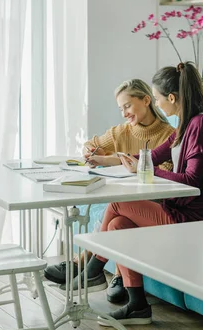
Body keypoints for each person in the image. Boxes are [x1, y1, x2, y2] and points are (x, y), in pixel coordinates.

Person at [74, 62, 203, 326]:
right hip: (179, 208)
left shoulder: (200, 127)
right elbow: (150, 157)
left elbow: (191, 181)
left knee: (119, 204)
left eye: (156, 98)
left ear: (172, 98)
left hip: (195, 219)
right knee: (119, 225)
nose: (157, 104)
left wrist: (148, 169)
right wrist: (122, 162)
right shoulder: (184, 127)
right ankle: (138, 306)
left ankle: (94, 268)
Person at [43, 78, 174, 302]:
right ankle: (119, 279)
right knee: (115, 221)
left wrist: (112, 161)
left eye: (128, 106)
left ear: (146, 100)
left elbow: (163, 172)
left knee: (116, 205)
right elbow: (91, 144)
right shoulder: (120, 132)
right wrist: (90, 151)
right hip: (127, 200)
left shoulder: (167, 134)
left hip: (152, 202)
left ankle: (86, 264)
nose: (124, 113)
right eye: (120, 108)